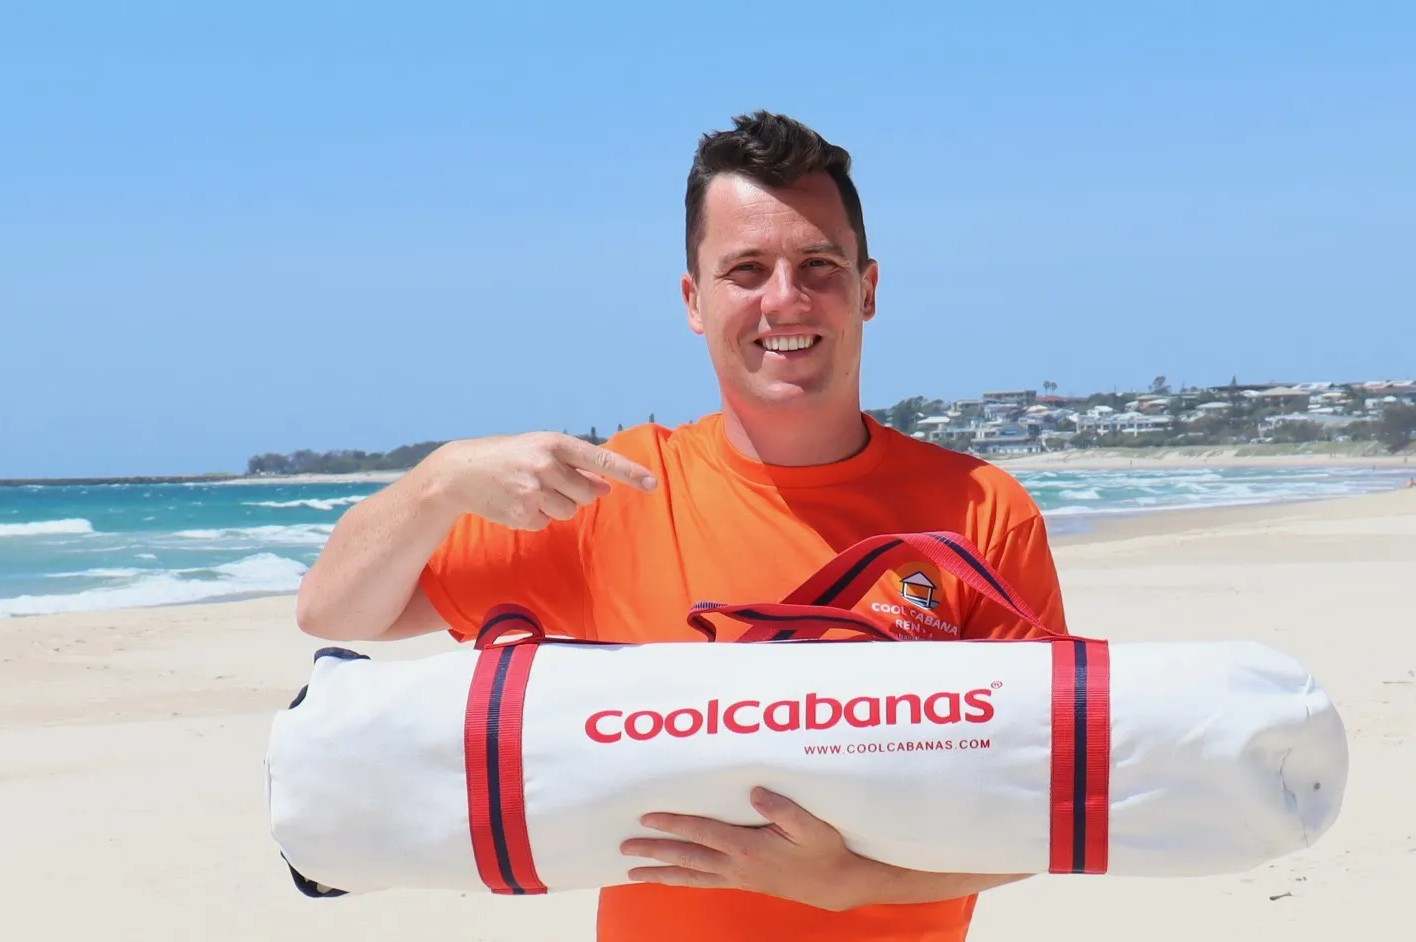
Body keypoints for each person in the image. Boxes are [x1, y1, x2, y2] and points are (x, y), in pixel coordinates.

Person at [296, 110, 1070, 942]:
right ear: (694, 301)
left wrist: (853, 883)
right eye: (746, 269)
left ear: (867, 288)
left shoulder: (978, 510)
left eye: (818, 264)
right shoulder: (617, 496)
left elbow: (1050, 797)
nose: (785, 299)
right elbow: (338, 612)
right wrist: (440, 481)